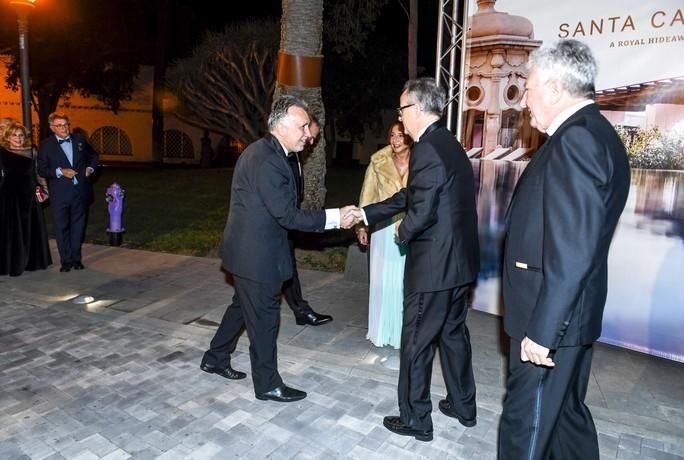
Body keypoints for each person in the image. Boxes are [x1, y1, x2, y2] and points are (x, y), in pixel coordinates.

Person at [498, 39, 630, 460]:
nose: (525, 101)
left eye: (530, 88)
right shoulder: (592, 133)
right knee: (565, 421)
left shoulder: (577, 141)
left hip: (550, 322)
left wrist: (542, 330)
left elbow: (572, 249)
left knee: (526, 427)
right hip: (568, 320)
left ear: (554, 88)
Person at [200, 95, 358, 403]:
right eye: (301, 126)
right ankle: (267, 383)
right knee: (265, 319)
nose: (306, 133)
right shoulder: (269, 160)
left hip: (250, 251)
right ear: (282, 126)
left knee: (242, 308)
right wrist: (337, 217)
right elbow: (287, 215)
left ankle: (215, 357)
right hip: (256, 256)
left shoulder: (266, 152)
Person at [358, 78, 480, 441]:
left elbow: (421, 209)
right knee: (453, 334)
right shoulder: (449, 143)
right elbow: (409, 195)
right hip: (459, 265)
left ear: (419, 108)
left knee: (415, 341)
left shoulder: (426, 148)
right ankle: (463, 405)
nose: (400, 117)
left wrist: (402, 232)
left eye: (402, 109)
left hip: (433, 266)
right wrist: (365, 214)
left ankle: (415, 419)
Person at [356, 121, 412, 351]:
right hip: (382, 228)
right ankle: (381, 331)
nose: (395, 140)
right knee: (381, 282)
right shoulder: (378, 161)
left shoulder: (421, 162)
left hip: (409, 227)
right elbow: (367, 195)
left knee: (402, 282)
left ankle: (401, 333)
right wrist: (362, 226)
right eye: (392, 135)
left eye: (400, 135)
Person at [282, 115, 334, 326]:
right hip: (278, 224)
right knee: (286, 269)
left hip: (287, 222)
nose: (310, 140)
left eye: (314, 138)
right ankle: (302, 311)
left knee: (287, 268)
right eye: (309, 135)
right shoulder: (281, 157)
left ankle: (300, 311)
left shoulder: (295, 155)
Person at [37, 113, 99, 273]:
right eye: (59, 125)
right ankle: (65, 260)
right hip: (60, 194)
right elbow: (42, 169)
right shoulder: (46, 145)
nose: (64, 128)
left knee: (78, 226)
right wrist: (60, 171)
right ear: (52, 128)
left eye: (65, 124)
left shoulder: (79, 140)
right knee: (61, 227)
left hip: (80, 191)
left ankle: (76, 259)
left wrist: (90, 168)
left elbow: (93, 156)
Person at [0, 123, 52, 276]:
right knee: (10, 231)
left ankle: (32, 261)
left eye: (21, 135)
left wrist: (45, 191)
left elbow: (38, 174)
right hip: (8, 196)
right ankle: (10, 264)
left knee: (30, 228)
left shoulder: (33, 151)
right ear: (8, 137)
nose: (18, 138)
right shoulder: (1, 152)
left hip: (29, 195)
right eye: (14, 135)